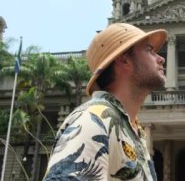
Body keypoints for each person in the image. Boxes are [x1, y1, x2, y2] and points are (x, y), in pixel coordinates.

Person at [43, 23, 167, 181]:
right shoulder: (93, 120)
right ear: (124, 61)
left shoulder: (134, 131)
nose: (161, 59)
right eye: (149, 50)